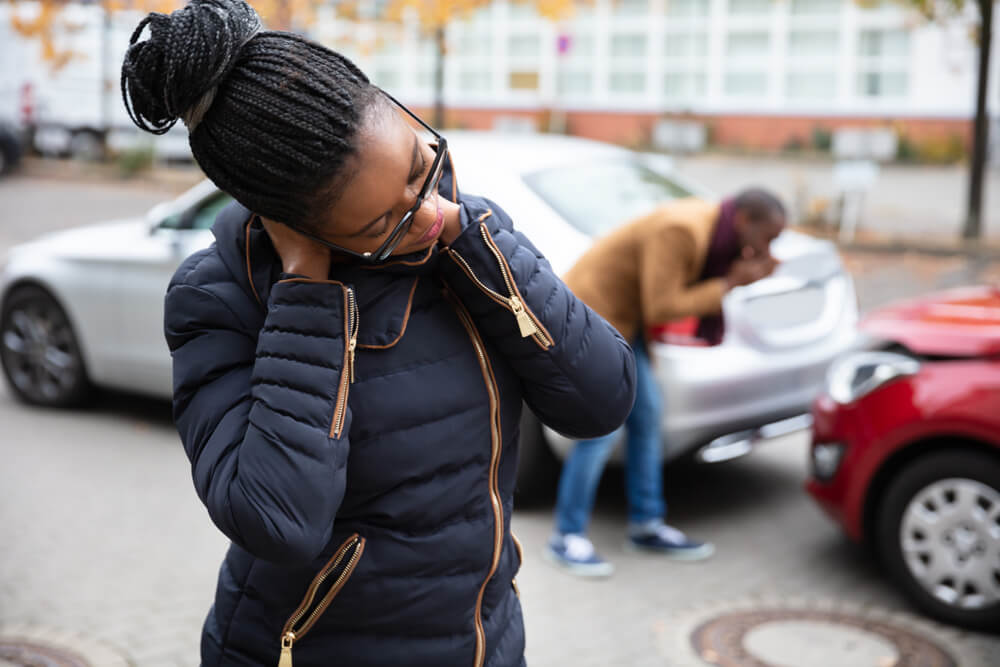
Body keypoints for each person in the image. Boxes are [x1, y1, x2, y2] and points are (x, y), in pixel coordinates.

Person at [121, 1, 636, 665]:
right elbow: (279, 520)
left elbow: (600, 400)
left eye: (421, 168)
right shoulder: (220, 296)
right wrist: (305, 291)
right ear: (294, 223)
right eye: (382, 221)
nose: (428, 213)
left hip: (486, 643)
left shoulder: (464, 238)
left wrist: (477, 242)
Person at [545, 190, 786, 577]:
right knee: (603, 426)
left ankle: (646, 525)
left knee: (648, 415)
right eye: (768, 237)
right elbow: (662, 305)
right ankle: (566, 535)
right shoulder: (683, 231)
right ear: (744, 221)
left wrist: (735, 277)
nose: (769, 247)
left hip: (626, 322)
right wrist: (730, 284)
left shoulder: (715, 232)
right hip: (591, 315)